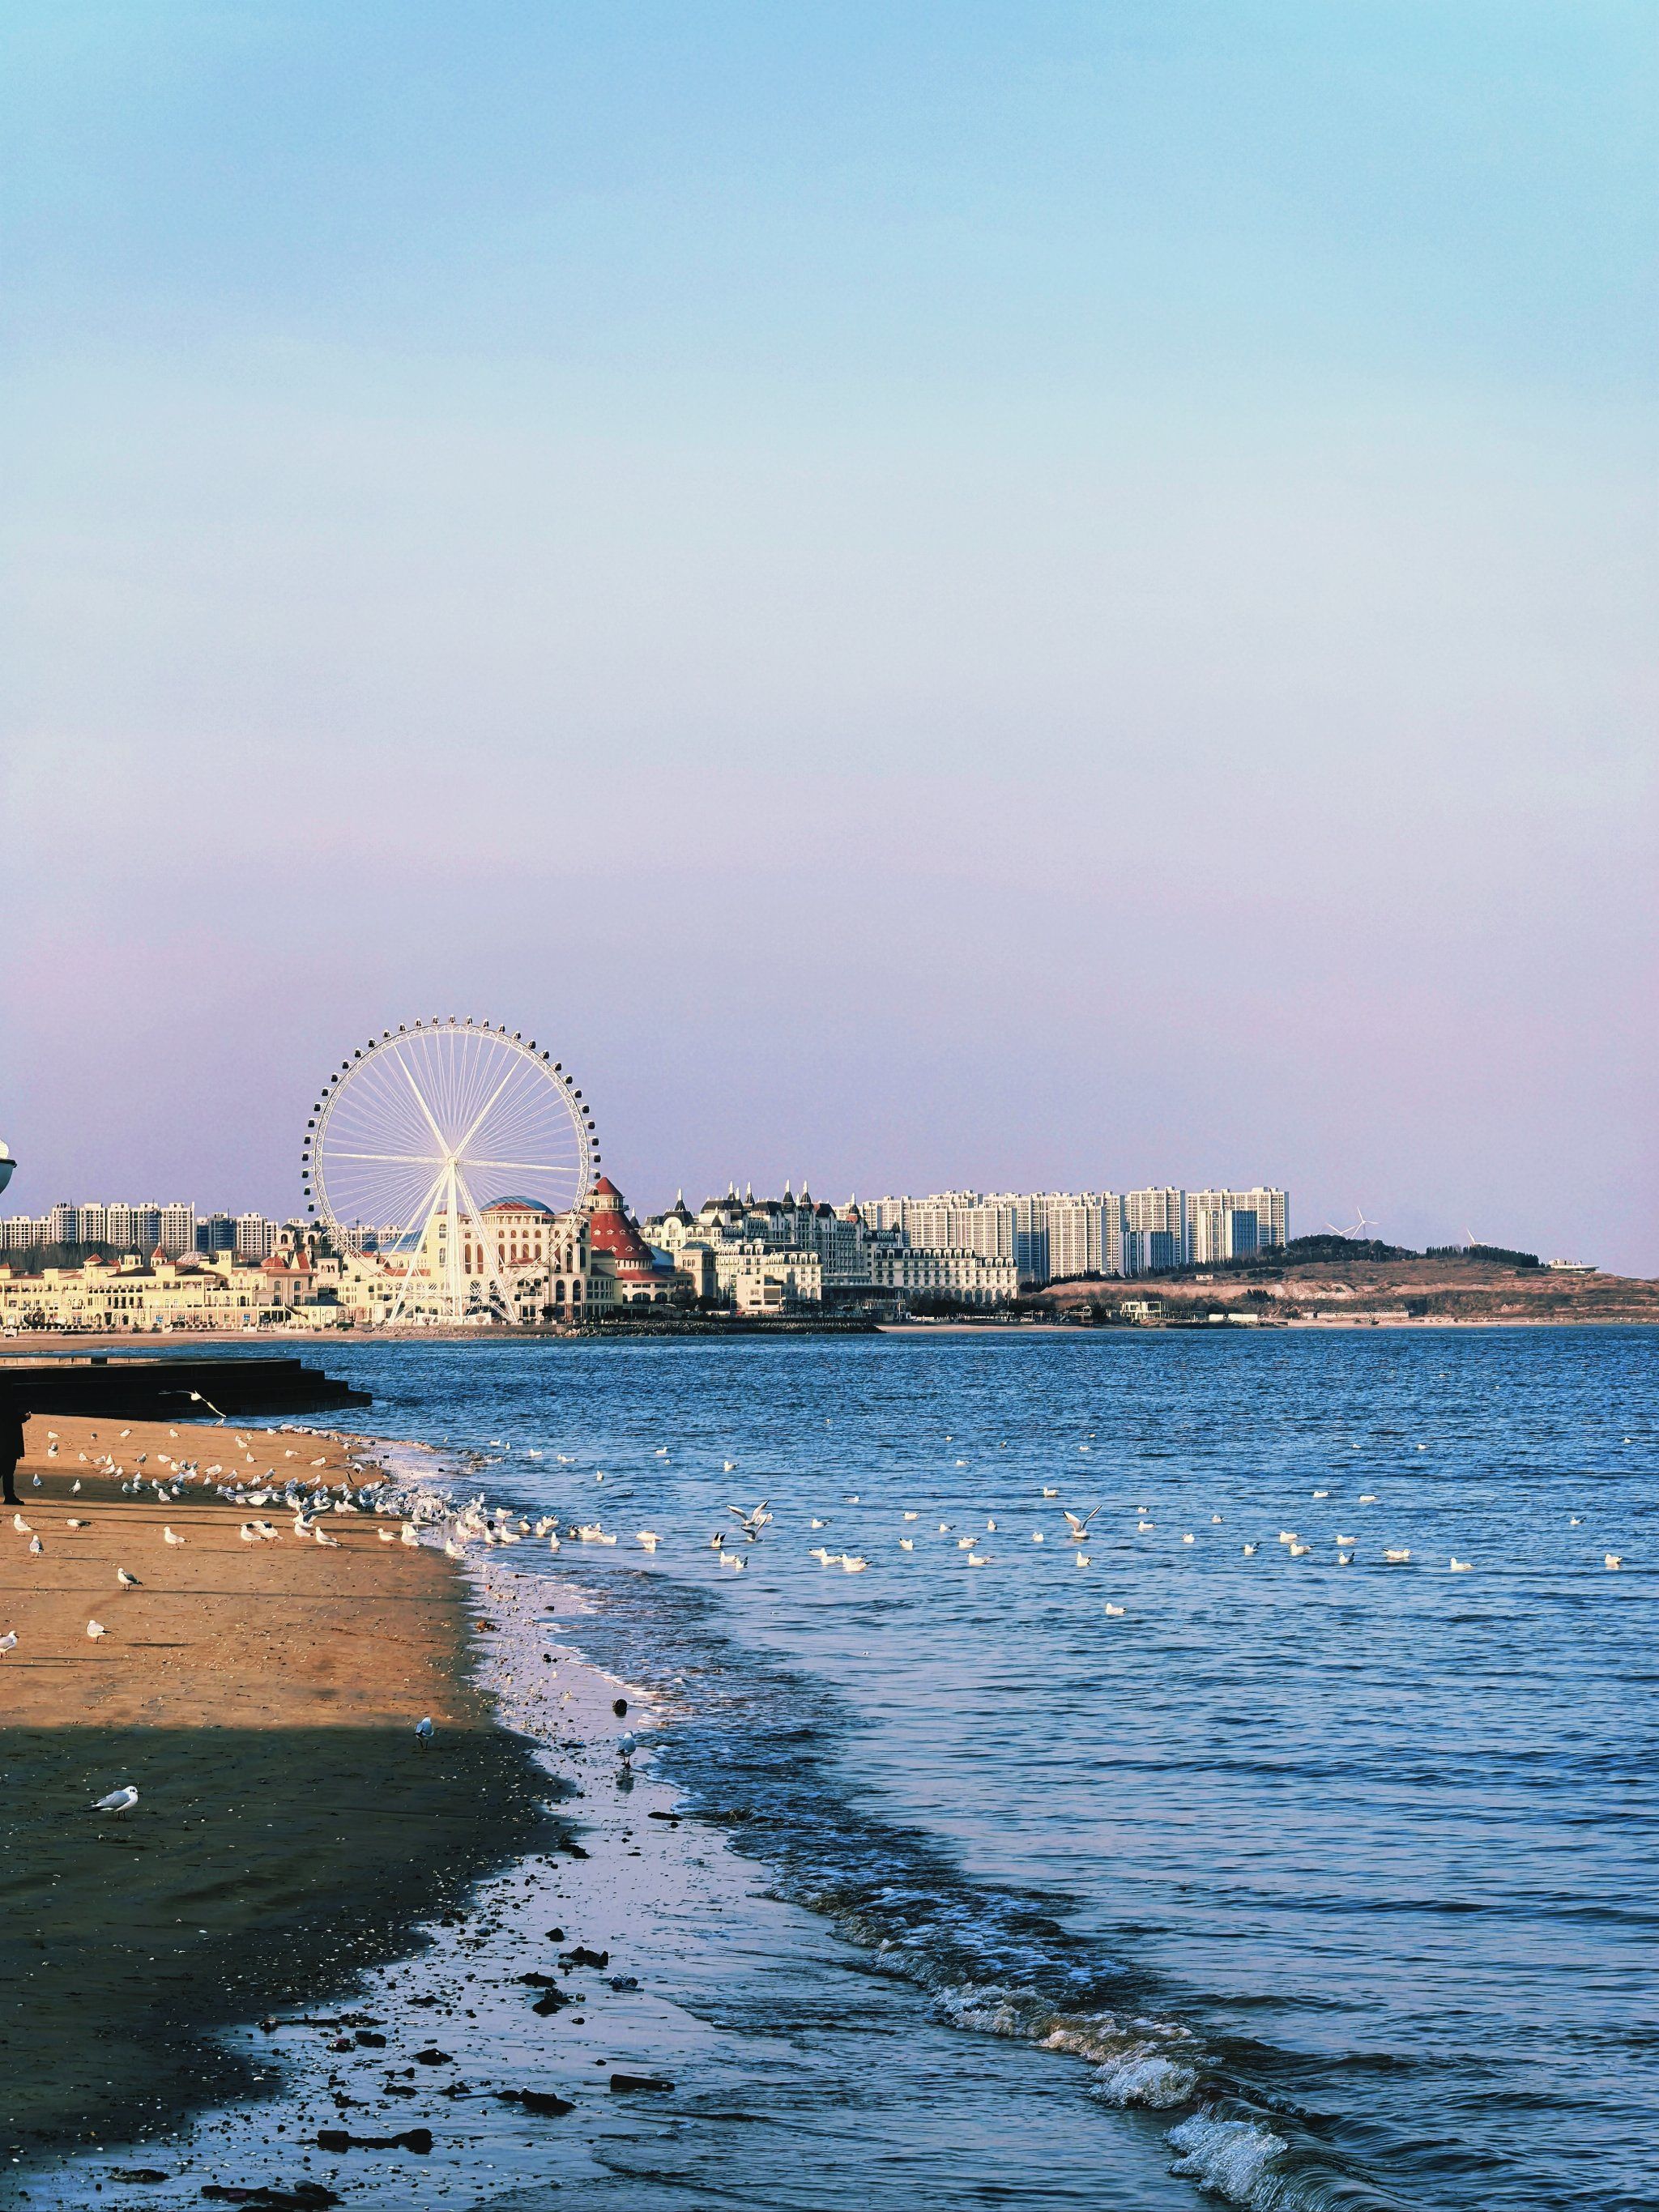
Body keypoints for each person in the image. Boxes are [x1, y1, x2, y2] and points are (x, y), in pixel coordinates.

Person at [0, 1396, 26, 1507]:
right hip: (9, 1442)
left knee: (5, 1470)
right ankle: (10, 1496)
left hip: (5, 1442)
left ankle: (10, 1495)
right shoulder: (7, 1401)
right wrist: (24, 1417)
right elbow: (11, 1418)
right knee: (8, 1470)